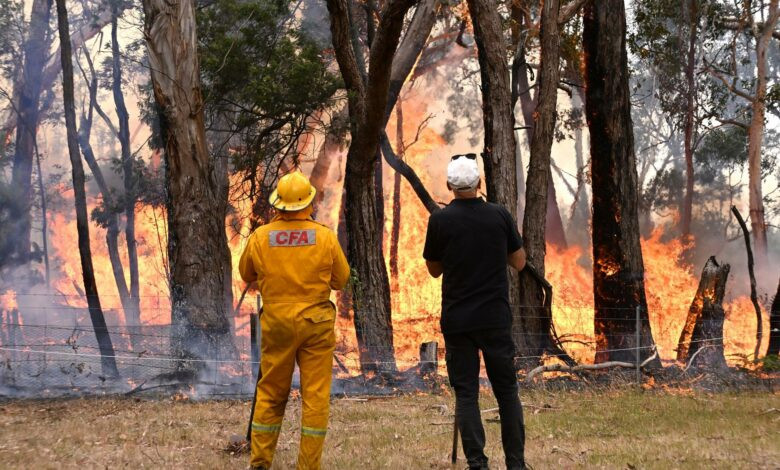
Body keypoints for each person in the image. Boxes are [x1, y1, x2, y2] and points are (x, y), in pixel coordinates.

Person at [239, 171, 350, 470]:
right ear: (309, 204)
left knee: (272, 393)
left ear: (279, 205)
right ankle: (307, 466)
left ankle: (260, 462)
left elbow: (246, 274)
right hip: (316, 324)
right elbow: (341, 280)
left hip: (277, 325)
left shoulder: (261, 237)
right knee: (315, 397)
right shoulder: (325, 236)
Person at [423, 153, 528, 470]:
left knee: (466, 394)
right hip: (494, 318)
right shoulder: (499, 215)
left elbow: (433, 270)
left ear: (449, 186)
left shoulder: (439, 220)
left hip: (458, 321)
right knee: (507, 391)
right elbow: (520, 262)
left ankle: (477, 464)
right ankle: (516, 464)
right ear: (480, 183)